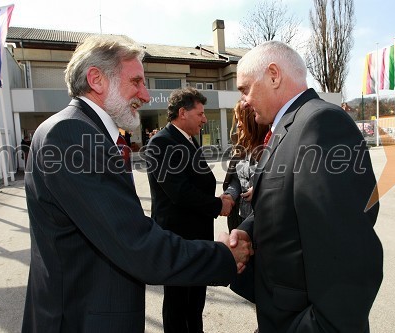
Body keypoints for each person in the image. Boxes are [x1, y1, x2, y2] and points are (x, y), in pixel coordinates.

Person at [21, 35, 252, 333]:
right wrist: (222, 257)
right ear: (97, 79)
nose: (145, 95)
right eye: (136, 82)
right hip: (81, 319)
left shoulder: (84, 131)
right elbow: (133, 241)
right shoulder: (71, 134)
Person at [229, 41, 383, 332]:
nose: (244, 101)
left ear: (274, 75)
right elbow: (283, 201)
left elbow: (349, 252)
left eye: (244, 88)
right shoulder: (287, 126)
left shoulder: (320, 123)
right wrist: (247, 229)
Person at [145, 87, 234, 333]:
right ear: (183, 113)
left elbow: (196, 182)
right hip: (177, 239)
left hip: (195, 237)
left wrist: (219, 198)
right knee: (178, 303)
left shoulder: (187, 139)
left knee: (194, 301)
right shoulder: (162, 142)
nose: (205, 119)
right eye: (201, 113)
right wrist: (219, 205)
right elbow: (179, 192)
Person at [223, 101, 268, 231]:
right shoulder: (241, 146)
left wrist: (259, 189)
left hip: (264, 220)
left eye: (240, 119)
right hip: (242, 219)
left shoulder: (271, 144)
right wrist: (230, 194)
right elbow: (236, 180)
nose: (238, 124)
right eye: (236, 120)